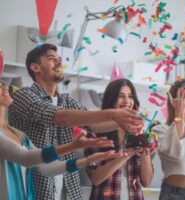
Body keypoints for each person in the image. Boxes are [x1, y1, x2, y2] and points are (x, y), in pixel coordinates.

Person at [8, 43, 143, 200]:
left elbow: (94, 125)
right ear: (35, 68)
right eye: (52, 59)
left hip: (68, 186)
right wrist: (114, 114)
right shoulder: (22, 96)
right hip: (34, 185)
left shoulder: (66, 100)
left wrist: (127, 122)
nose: (60, 63)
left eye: (60, 59)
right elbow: (59, 117)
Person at [0, 81, 121, 200]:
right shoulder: (25, 96)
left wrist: (88, 160)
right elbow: (25, 158)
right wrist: (73, 146)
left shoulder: (19, 135)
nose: (4, 86)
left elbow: (45, 168)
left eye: (2, 83)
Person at [84, 78, 154, 200]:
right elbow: (96, 178)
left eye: (130, 96)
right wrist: (127, 154)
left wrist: (145, 154)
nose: (127, 101)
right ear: (111, 100)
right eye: (121, 96)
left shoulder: (140, 132)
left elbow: (147, 181)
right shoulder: (96, 133)